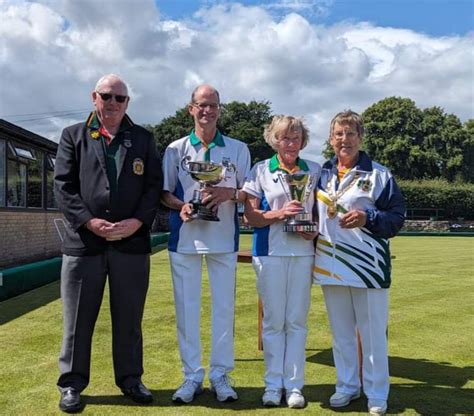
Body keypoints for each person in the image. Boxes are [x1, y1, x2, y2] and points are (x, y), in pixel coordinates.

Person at [54, 74, 162, 413]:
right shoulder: (73, 135)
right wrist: (89, 221)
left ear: (127, 102)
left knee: (129, 319)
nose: (113, 103)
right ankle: (71, 384)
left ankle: (131, 381)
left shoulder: (143, 138)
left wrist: (137, 222)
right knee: (77, 321)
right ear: (94, 97)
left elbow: (153, 188)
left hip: (131, 245)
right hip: (85, 243)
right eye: (106, 96)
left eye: (120, 98)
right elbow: (63, 186)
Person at [161, 84, 251, 404]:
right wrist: (180, 206)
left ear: (219, 109)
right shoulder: (175, 148)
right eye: (201, 105)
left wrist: (228, 193)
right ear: (191, 109)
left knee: (224, 309)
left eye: (212, 105)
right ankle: (191, 376)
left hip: (224, 238)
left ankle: (220, 375)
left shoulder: (239, 149)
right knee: (187, 310)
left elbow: (248, 192)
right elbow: (165, 193)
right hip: (185, 238)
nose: (207, 110)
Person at [313, 110, 405, 415]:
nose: (344, 139)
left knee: (373, 333)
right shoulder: (321, 173)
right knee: (341, 333)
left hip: (369, 267)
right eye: (339, 134)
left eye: (351, 133)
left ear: (360, 138)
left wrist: (369, 217)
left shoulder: (379, 174)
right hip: (331, 263)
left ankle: (377, 392)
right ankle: (347, 386)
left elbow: (396, 218)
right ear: (330, 139)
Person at [242, 115, 321, 408]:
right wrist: (280, 214)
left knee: (297, 322)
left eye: (296, 138)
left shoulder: (315, 170)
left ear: (303, 141)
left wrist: (310, 228)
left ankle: (295, 386)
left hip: (303, 252)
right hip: (269, 253)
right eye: (285, 137)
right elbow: (251, 217)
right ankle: (273, 385)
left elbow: (321, 214)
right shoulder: (260, 169)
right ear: (274, 139)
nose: (290, 143)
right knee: (274, 322)